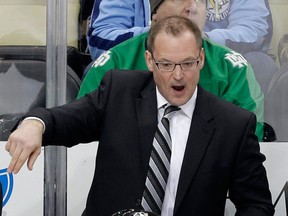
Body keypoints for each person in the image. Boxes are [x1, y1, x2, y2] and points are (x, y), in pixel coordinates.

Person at [6, 16, 274, 216]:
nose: (178, 75)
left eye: (188, 63)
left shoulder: (234, 124)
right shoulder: (118, 91)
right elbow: (70, 119)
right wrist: (35, 123)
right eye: (166, 64)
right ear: (149, 61)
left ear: (201, 59)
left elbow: (257, 205)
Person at [78, 0, 265, 141]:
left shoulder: (233, 71)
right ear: (154, 13)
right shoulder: (113, 66)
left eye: (200, 0)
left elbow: (247, 146)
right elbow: (84, 140)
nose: (192, 6)